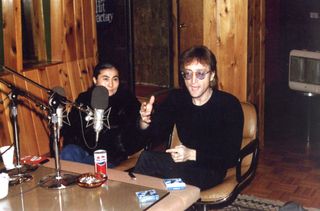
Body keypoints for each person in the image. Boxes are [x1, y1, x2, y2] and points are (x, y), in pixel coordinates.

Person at [134, 45, 244, 190]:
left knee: (171, 175)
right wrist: (145, 121)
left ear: (211, 75)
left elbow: (230, 157)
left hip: (210, 168)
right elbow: (154, 133)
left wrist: (192, 154)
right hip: (182, 164)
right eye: (188, 73)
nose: (193, 81)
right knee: (146, 158)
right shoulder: (177, 99)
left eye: (200, 74)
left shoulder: (228, 105)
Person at [61, 62, 144, 168]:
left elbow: (136, 131)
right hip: (83, 151)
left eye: (115, 79)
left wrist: (143, 120)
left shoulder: (127, 101)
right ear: (95, 80)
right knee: (68, 152)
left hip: (109, 157)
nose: (111, 84)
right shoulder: (84, 99)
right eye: (105, 79)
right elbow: (71, 129)